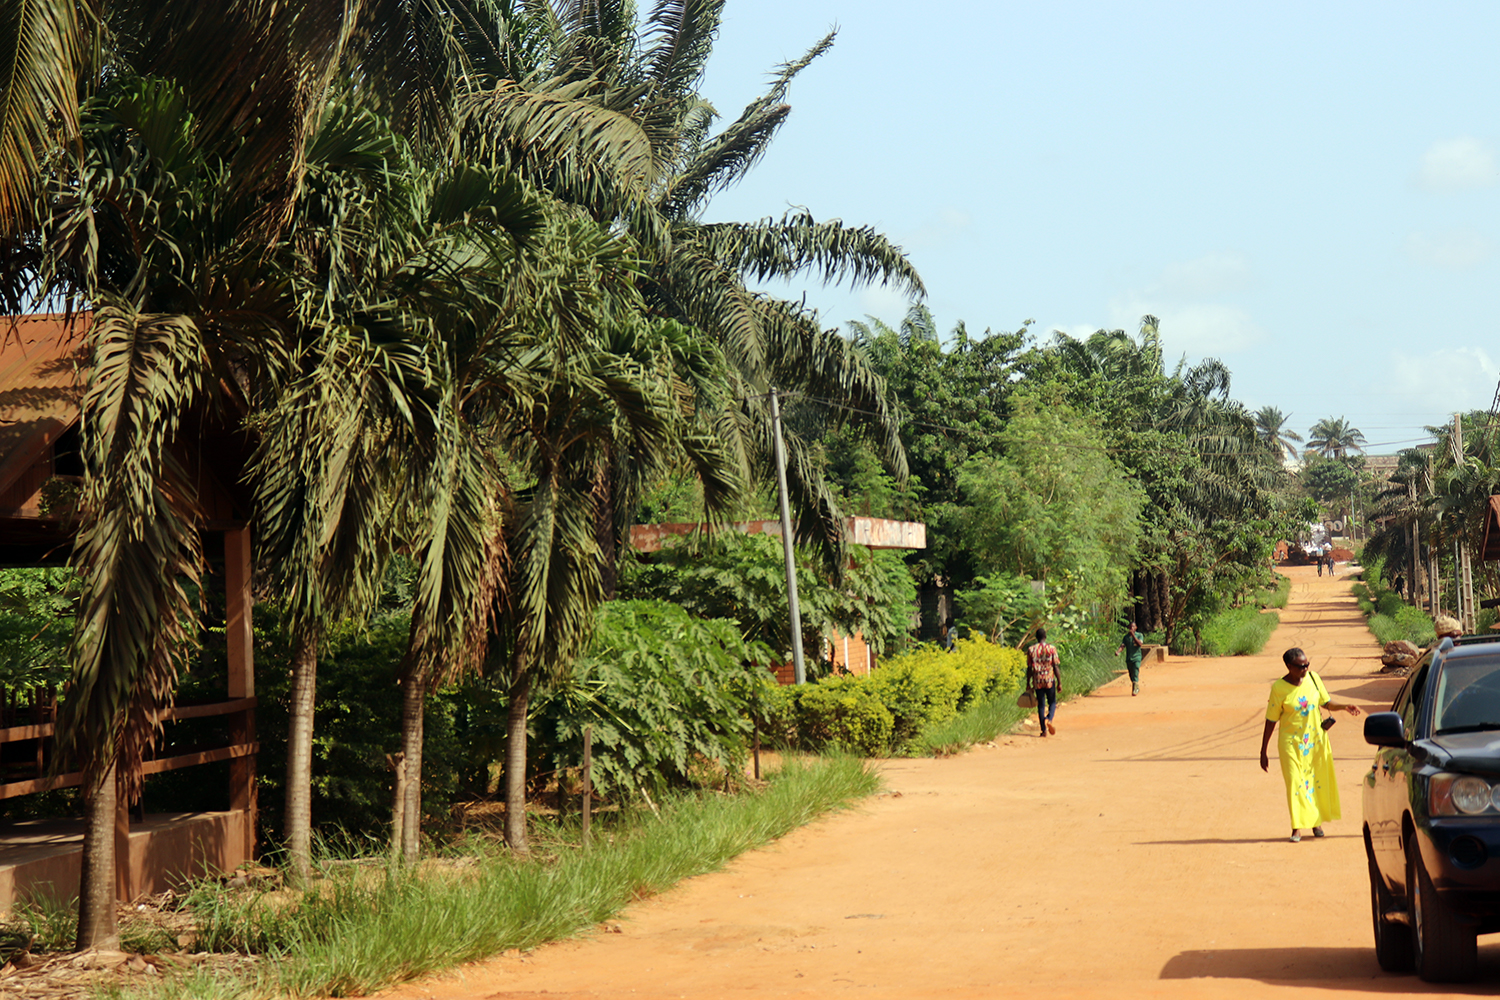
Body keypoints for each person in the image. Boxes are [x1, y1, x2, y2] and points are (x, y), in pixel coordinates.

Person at [1259, 647, 1361, 842]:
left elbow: (1326, 703)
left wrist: (1344, 707)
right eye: (1300, 666)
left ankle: (1315, 822)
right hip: (1290, 743)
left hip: (1315, 741)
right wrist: (1263, 750)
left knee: (1314, 782)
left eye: (1307, 665)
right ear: (1289, 667)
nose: (1305, 669)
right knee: (1295, 783)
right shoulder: (1279, 689)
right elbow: (1271, 720)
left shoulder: (1314, 679)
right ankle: (1297, 827)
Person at [1026, 627, 1063, 736]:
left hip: (1037, 680)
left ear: (1036, 637)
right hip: (1049, 680)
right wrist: (1059, 682)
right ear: (1045, 637)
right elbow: (1055, 666)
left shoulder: (1031, 650)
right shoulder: (1051, 649)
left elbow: (1029, 669)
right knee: (1052, 702)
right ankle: (1049, 719)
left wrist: (1028, 683)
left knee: (1041, 705)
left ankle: (1043, 730)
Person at [1115, 620, 1144, 696]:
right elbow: (1123, 646)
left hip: (1137, 657)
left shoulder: (1139, 635)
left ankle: (1135, 688)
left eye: (1133, 626)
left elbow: (1140, 644)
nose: (1132, 628)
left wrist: (1133, 636)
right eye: (1130, 627)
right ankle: (1136, 685)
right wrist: (1118, 651)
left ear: (1136, 627)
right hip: (1129, 658)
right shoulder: (1126, 637)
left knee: (1136, 669)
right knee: (1131, 674)